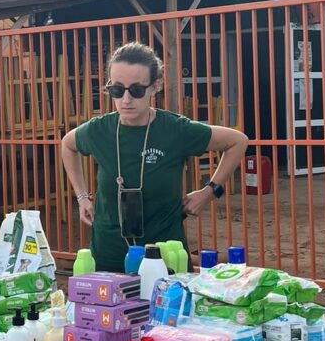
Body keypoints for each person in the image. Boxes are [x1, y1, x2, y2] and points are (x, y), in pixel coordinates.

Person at [61, 41, 248, 273]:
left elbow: (237, 141)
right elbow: (67, 145)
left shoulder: (174, 129)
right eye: (117, 90)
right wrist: (81, 197)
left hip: (165, 254)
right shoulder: (99, 130)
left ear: (155, 86)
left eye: (137, 90)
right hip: (109, 251)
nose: (126, 100)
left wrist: (209, 191)